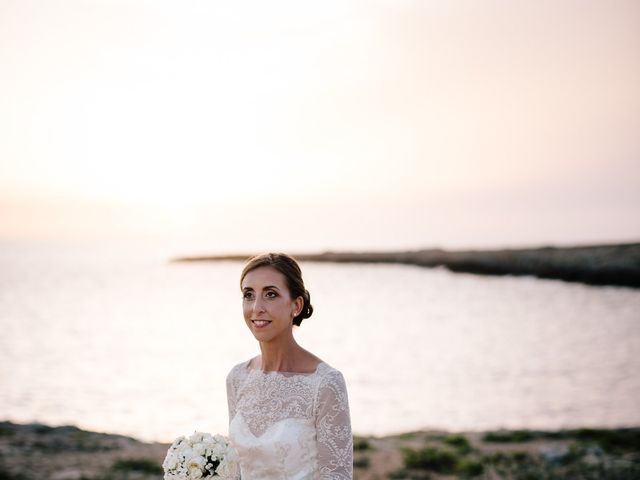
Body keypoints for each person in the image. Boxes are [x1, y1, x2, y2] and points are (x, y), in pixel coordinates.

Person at [226, 252, 353, 479]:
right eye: (248, 295)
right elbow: (236, 470)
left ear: (296, 305)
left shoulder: (325, 382)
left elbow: (337, 475)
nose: (257, 307)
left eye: (271, 294)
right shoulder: (237, 378)